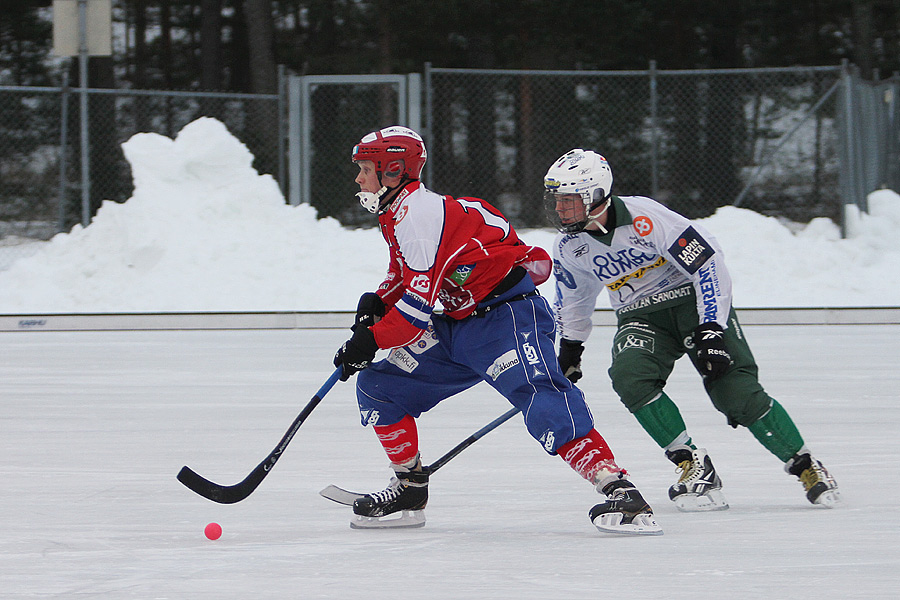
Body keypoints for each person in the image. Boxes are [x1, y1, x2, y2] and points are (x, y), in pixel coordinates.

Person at [332, 126, 662, 535]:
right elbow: (403, 274)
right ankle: (409, 488)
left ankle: (621, 491)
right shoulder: (396, 211)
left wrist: (370, 339)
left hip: (506, 319)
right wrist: (377, 304)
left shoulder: (418, 215)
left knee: (541, 398)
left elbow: (414, 315)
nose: (359, 179)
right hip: (457, 323)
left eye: (365, 169)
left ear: (394, 170)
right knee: (380, 386)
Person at [544, 148, 840, 512]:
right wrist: (571, 348)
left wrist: (712, 328)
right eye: (557, 201)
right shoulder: (570, 246)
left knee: (736, 392)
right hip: (640, 316)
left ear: (597, 195)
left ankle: (805, 464)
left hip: (692, 303)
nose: (560, 210)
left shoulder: (645, 218)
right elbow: (574, 298)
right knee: (630, 376)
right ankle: (692, 464)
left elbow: (707, 264)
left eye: (569, 201)